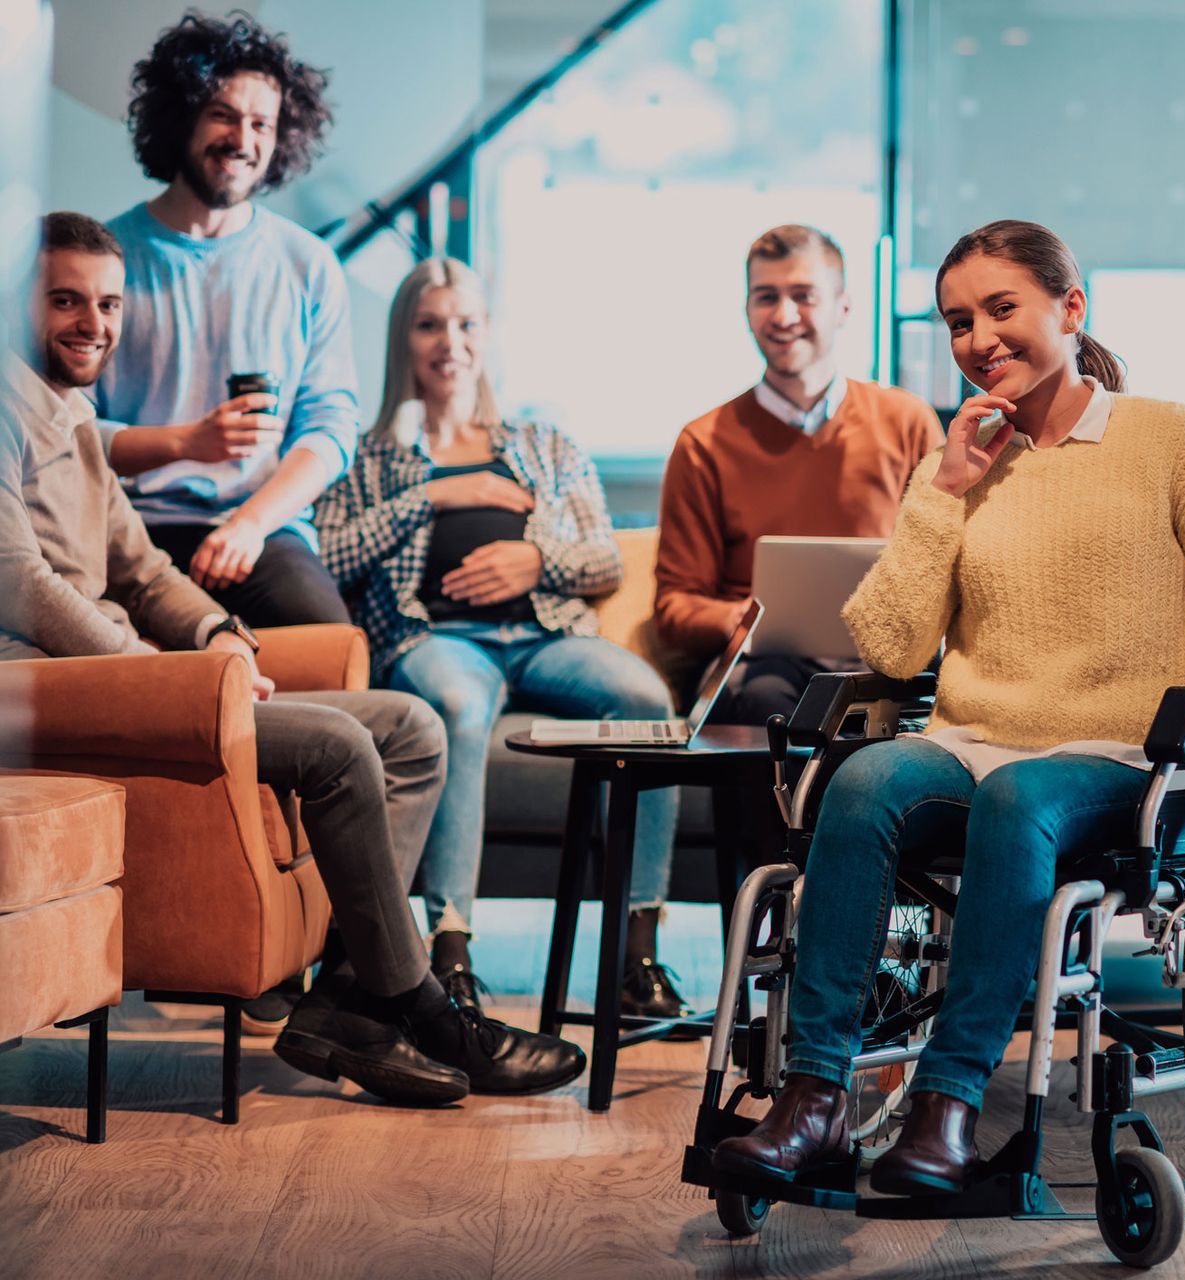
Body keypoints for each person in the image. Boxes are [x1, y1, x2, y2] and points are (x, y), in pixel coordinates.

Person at [713, 220, 1185, 1193]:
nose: (979, 337)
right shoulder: (961, 461)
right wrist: (943, 492)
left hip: (1120, 760)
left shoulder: (1170, 437)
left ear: (1069, 310)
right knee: (865, 778)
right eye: (960, 319)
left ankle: (948, 1108)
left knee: (1017, 801)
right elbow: (891, 645)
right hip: (967, 742)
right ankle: (815, 1099)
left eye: (1002, 308)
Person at [0, 213, 584, 1104]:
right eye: (66, 300)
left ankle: (350, 998)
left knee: (413, 728)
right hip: (51, 693)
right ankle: (422, 1005)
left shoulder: (74, 416)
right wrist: (155, 669)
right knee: (341, 748)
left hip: (133, 679)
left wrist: (214, 636)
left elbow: (144, 567)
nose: (94, 323)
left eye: (109, 303)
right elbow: (23, 586)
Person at [316, 258, 684, 1022]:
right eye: (429, 325)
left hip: (545, 633)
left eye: (464, 323)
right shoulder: (367, 454)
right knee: (454, 705)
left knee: (648, 699)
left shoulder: (542, 443)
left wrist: (535, 558)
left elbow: (605, 558)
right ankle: (450, 954)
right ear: (403, 341)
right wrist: (433, 494)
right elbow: (329, 557)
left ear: (486, 336)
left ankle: (638, 953)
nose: (449, 341)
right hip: (437, 640)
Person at [653, 224, 943, 907]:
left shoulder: (907, 422)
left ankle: (873, 964)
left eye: (803, 295)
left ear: (843, 306)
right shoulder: (704, 442)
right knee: (768, 713)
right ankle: (769, 945)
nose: (783, 316)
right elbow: (674, 606)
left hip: (884, 665)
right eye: (766, 297)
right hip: (765, 673)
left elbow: (943, 564)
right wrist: (755, 617)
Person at [91, 13, 357, 627]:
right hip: (124, 527)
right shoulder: (102, 260)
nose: (243, 138)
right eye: (223, 114)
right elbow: (67, 430)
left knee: (332, 654)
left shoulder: (308, 265)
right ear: (180, 117)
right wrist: (186, 443)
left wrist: (250, 524)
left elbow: (330, 425)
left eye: (261, 123)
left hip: (260, 530)